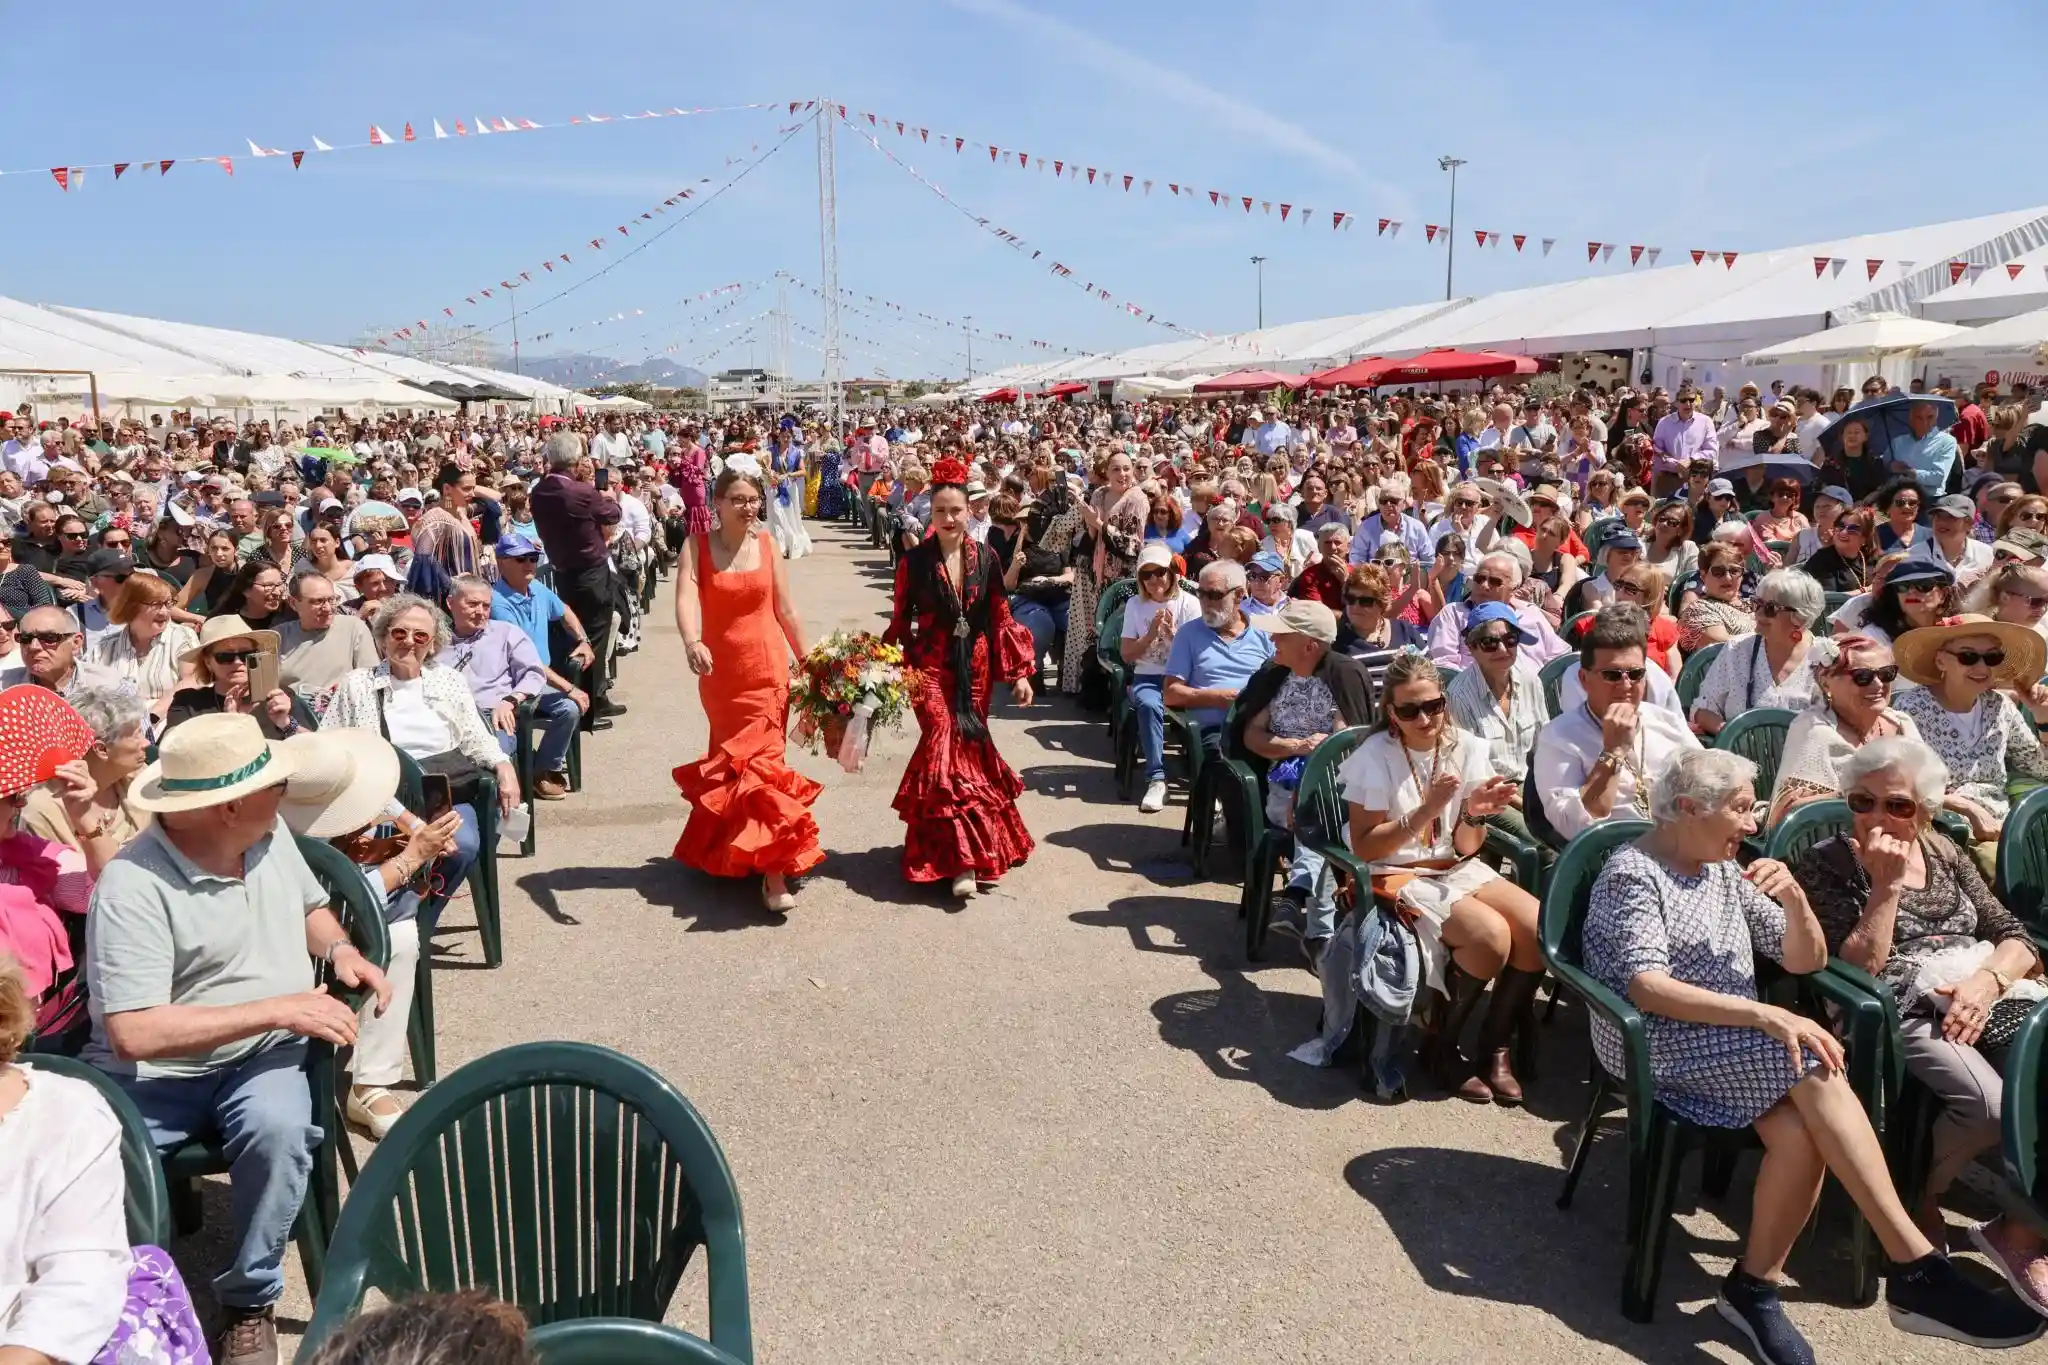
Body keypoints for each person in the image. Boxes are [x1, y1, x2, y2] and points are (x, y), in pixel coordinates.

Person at [1582, 747, 2043, 1359]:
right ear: (1690, 809)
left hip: (1730, 1042)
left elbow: (1805, 960)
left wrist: (1795, 901)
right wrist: (1766, 1013)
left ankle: (1754, 1288)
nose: (1754, 824)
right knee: (1812, 1061)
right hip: (1656, 1041)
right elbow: (1646, 986)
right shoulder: (1632, 873)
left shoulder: (1720, 868)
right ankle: (1916, 1269)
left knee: (1802, 1131)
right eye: (1743, 811)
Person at [85, 713, 392, 1364]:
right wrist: (278, 1008)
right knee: (84, 1164)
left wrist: (338, 947)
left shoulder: (268, 830)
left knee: (279, 1128)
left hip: (260, 1058)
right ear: (227, 807)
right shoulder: (133, 885)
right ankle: (113, 1304)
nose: (284, 791)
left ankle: (249, 1298)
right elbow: (132, 1032)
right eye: (273, 783)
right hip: (155, 1079)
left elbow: (308, 905)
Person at [1788, 737, 2048, 1311]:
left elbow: (2015, 934)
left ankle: (2022, 1231)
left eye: (1898, 806)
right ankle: (1917, 1196)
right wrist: (1883, 888)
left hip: (1981, 992)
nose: (1878, 816)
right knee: (1991, 1107)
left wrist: (1986, 985)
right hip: (1893, 1006)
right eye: (1863, 801)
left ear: (1925, 809)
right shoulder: (1827, 862)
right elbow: (1850, 970)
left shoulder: (1944, 850)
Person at [1340, 650, 1539, 1102]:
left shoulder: (1465, 747)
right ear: (1390, 712)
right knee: (1489, 937)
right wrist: (1426, 810)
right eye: (1409, 710)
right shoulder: (1377, 755)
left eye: (1433, 705)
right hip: (1391, 871)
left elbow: (1466, 846)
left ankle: (1494, 1046)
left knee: (1535, 927)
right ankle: (1440, 1044)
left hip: (1453, 866)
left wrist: (1473, 812)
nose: (1424, 718)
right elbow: (1366, 847)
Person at [2, 956, 207, 1365]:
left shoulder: (63, 1119)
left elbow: (77, 1282)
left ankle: (249, 1299)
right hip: (156, 1067)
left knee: (276, 1130)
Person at [275, 730, 458, 1141]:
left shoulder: (322, 787)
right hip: (285, 935)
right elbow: (336, 900)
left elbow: (382, 800)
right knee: (396, 930)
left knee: (402, 930)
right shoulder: (279, 833)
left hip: (328, 926)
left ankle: (371, 1081)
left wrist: (416, 829)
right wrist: (412, 859)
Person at [882, 458, 1035, 900]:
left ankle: (965, 854)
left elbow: (1000, 614)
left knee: (969, 751)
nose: (949, 519)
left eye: (957, 511)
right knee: (943, 743)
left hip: (976, 668)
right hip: (929, 664)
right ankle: (959, 862)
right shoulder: (913, 562)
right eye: (941, 512)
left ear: (970, 512)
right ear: (930, 513)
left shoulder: (985, 556)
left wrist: (1021, 673)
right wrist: (880, 673)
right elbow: (899, 623)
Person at [672, 468, 821, 910]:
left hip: (770, 673)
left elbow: (786, 610)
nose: (748, 506)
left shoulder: (768, 544)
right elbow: (684, 597)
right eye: (737, 499)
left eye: (753, 498)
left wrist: (812, 663)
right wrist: (691, 640)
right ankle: (732, 849)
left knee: (765, 768)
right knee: (731, 766)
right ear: (716, 504)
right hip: (721, 678)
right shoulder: (696, 546)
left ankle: (773, 873)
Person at [321, 595, 519, 898]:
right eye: (399, 633)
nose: (409, 642)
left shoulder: (449, 680)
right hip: (380, 799)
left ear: (433, 643)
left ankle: (415, 916)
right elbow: (329, 747)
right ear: (384, 636)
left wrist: (504, 766)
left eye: (420, 635)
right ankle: (394, 911)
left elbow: (477, 738)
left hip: (441, 793)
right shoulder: (357, 684)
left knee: (461, 847)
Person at [1237, 599, 1375, 969]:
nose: (1274, 639)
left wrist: (1317, 771)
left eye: (1283, 633)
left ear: (1309, 645)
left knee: (1321, 817)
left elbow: (1352, 745)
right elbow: (1250, 736)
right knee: (1317, 823)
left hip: (1338, 792)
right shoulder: (1275, 675)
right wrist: (1294, 747)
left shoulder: (1343, 676)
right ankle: (1318, 933)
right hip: (1285, 789)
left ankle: (1300, 903)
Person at [1535, 605, 1703, 838]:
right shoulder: (1559, 737)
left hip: (1682, 843)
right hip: (1613, 856)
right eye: (1612, 675)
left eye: (1635, 674)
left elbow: (1710, 776)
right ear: (1584, 679)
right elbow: (1572, 827)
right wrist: (1612, 752)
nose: (1625, 685)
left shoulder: (1665, 721)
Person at [1893, 613, 2048, 858]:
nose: (1982, 667)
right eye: (1968, 657)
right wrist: (1965, 807)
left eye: (1992, 657)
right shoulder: (1911, 709)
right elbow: (1900, 789)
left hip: (2006, 826)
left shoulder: (1999, 706)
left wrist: (2042, 717)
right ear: (1941, 661)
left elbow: (2041, 770)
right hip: (1947, 830)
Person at [441, 575, 579, 803]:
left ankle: (492, 817)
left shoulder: (505, 633)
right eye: (472, 604)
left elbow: (534, 673)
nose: (480, 612)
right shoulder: (435, 641)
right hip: (447, 720)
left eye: (486, 606)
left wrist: (511, 699)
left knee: (492, 763)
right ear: (450, 603)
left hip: (493, 717)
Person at [530, 434, 626, 726]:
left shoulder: (539, 491)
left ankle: (597, 698)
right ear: (575, 460)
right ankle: (587, 711)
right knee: (592, 640)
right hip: (591, 573)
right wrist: (602, 491)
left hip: (564, 571)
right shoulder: (580, 492)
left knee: (582, 634)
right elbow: (613, 513)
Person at [21, 683, 151, 857]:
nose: (147, 743)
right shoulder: (44, 810)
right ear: (101, 749)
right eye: (136, 735)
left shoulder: (139, 777)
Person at [1690, 569, 1824, 735]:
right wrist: (1734, 734)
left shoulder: (1827, 659)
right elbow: (1703, 709)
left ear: (1800, 617)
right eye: (1757, 603)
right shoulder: (1737, 649)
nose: (1758, 613)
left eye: (1770, 608)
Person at [1121, 542, 1200, 814]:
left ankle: (1206, 778)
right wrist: (1151, 634)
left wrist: (1174, 636)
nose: (1155, 579)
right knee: (1149, 704)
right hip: (1148, 675)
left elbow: (1199, 654)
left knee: (1210, 704)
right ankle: (1156, 778)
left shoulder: (1189, 603)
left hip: (1183, 677)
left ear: (1172, 573)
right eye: (1147, 574)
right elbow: (1127, 654)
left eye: (1160, 572)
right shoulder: (1135, 604)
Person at [1422, 552, 1570, 669]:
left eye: (1495, 581)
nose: (1484, 586)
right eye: (1479, 579)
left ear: (1514, 588)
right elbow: (1444, 667)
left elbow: (1559, 659)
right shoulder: (1453, 614)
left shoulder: (1531, 614)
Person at [163, 614, 297, 740]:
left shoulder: (279, 695)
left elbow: (313, 745)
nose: (238, 662)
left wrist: (286, 723)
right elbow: (172, 747)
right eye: (225, 657)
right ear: (208, 662)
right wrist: (230, 723)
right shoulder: (187, 702)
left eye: (246, 654)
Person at [86, 571, 197, 716]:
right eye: (156, 604)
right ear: (131, 606)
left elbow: (193, 680)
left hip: (165, 725)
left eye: (168, 603)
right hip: (114, 728)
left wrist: (153, 715)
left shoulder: (181, 637)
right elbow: (86, 693)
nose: (164, 612)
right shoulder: (104, 647)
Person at [274, 570, 377, 699]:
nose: (328, 608)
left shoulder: (353, 628)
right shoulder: (277, 636)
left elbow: (369, 679)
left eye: (332, 599)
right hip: (290, 714)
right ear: (293, 603)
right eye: (318, 601)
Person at [3, 603, 129, 701]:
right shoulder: (4, 688)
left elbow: (135, 734)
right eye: (25, 638)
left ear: (76, 643)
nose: (33, 647)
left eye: (49, 638)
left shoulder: (111, 688)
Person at [1676, 540, 1755, 652]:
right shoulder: (1699, 610)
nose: (1727, 578)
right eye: (1718, 572)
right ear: (1703, 576)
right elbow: (1725, 646)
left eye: (1734, 571)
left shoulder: (1755, 605)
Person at [1889, 399, 1963, 501]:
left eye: (1930, 417)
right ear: (1911, 419)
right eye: (1919, 417)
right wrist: (1890, 467)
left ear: (1936, 418)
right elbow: (1886, 469)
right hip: (1900, 498)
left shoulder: (1947, 441)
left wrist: (1908, 472)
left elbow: (1938, 477)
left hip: (1930, 500)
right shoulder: (1897, 442)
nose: (1924, 422)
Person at [764, 434, 812, 560]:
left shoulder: (796, 452)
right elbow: (765, 468)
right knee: (776, 516)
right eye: (784, 436)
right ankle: (779, 547)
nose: (786, 439)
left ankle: (792, 544)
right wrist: (771, 474)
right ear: (779, 437)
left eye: (789, 437)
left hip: (790, 488)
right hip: (774, 488)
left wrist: (789, 474)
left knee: (790, 517)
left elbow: (803, 471)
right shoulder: (770, 451)